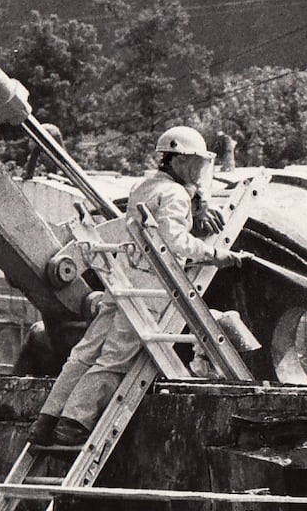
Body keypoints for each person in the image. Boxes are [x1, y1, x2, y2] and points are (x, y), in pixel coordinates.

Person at [31, 125, 247, 446]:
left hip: (123, 281)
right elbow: (175, 241)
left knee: (85, 352)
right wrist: (217, 255)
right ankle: (73, 424)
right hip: (151, 289)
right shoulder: (174, 195)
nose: (199, 170)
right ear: (179, 161)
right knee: (115, 358)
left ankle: (47, 420)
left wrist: (197, 203)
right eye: (195, 163)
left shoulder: (145, 186)